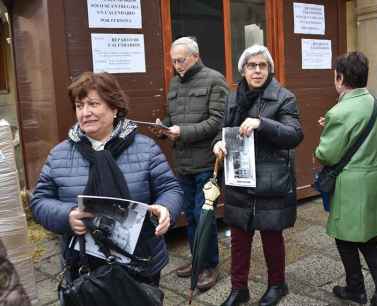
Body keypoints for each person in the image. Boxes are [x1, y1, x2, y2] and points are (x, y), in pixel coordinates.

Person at [30, 72, 183, 297]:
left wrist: (166, 208)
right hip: (83, 266)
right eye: (79, 105)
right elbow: (39, 201)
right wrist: (67, 216)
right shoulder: (60, 154)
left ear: (114, 109)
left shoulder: (145, 149)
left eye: (93, 104)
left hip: (140, 262)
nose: (85, 112)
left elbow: (171, 188)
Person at [213, 45, 303, 306]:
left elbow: (295, 134)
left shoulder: (284, 97)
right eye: (252, 65)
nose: (257, 70)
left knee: (271, 236)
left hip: (270, 179)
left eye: (262, 66)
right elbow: (223, 130)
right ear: (243, 69)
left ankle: (278, 284)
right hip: (239, 177)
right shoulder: (232, 98)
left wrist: (262, 124)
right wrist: (217, 144)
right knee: (239, 238)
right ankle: (238, 288)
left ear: (269, 69)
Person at [314, 52, 377, 306]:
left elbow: (327, 153)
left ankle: (356, 289)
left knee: (345, 235)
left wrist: (323, 138)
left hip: (354, 183)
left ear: (340, 78)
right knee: (366, 231)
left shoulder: (339, 111)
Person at [155, 36, 228, 290]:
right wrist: (163, 127)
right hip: (183, 163)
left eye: (181, 60)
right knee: (191, 216)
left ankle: (210, 266)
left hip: (208, 162)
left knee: (204, 215)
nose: (177, 65)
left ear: (195, 57)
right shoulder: (174, 83)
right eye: (174, 61)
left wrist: (182, 131)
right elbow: (173, 116)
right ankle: (197, 260)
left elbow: (217, 122)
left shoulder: (214, 80)